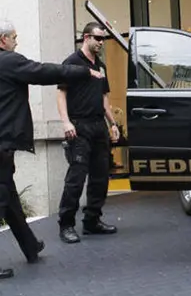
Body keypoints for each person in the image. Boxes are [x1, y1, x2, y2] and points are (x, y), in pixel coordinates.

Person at [0, 20, 103, 277]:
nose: (16, 41)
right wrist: (82, 72)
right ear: (2, 40)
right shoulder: (7, 61)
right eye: (14, 37)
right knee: (2, 197)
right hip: (1, 143)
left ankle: (30, 246)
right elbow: (42, 71)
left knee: (9, 199)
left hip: (3, 144)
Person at [56, 22, 120, 244]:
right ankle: (66, 225)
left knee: (100, 178)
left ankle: (92, 221)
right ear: (86, 38)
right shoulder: (72, 63)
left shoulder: (100, 66)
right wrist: (65, 122)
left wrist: (113, 124)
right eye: (98, 38)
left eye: (103, 39)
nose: (101, 43)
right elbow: (61, 94)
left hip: (98, 127)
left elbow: (104, 99)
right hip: (79, 126)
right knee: (76, 179)